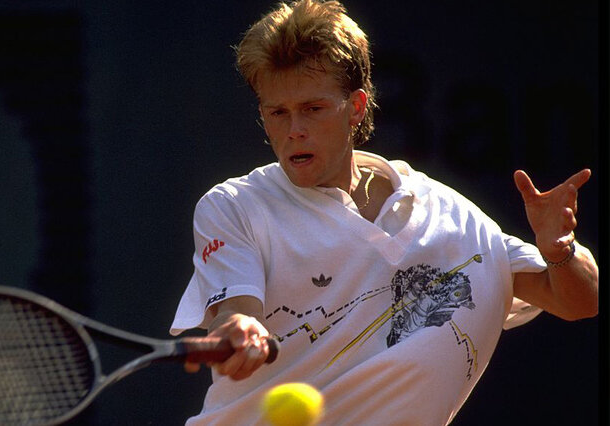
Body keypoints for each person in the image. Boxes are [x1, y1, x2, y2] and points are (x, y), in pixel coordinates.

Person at [169, 0, 599, 424]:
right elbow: (236, 311)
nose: (293, 129)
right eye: (277, 113)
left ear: (355, 107)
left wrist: (560, 247)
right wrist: (239, 327)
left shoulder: (449, 217)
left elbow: (579, 300)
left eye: (313, 109)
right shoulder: (233, 206)